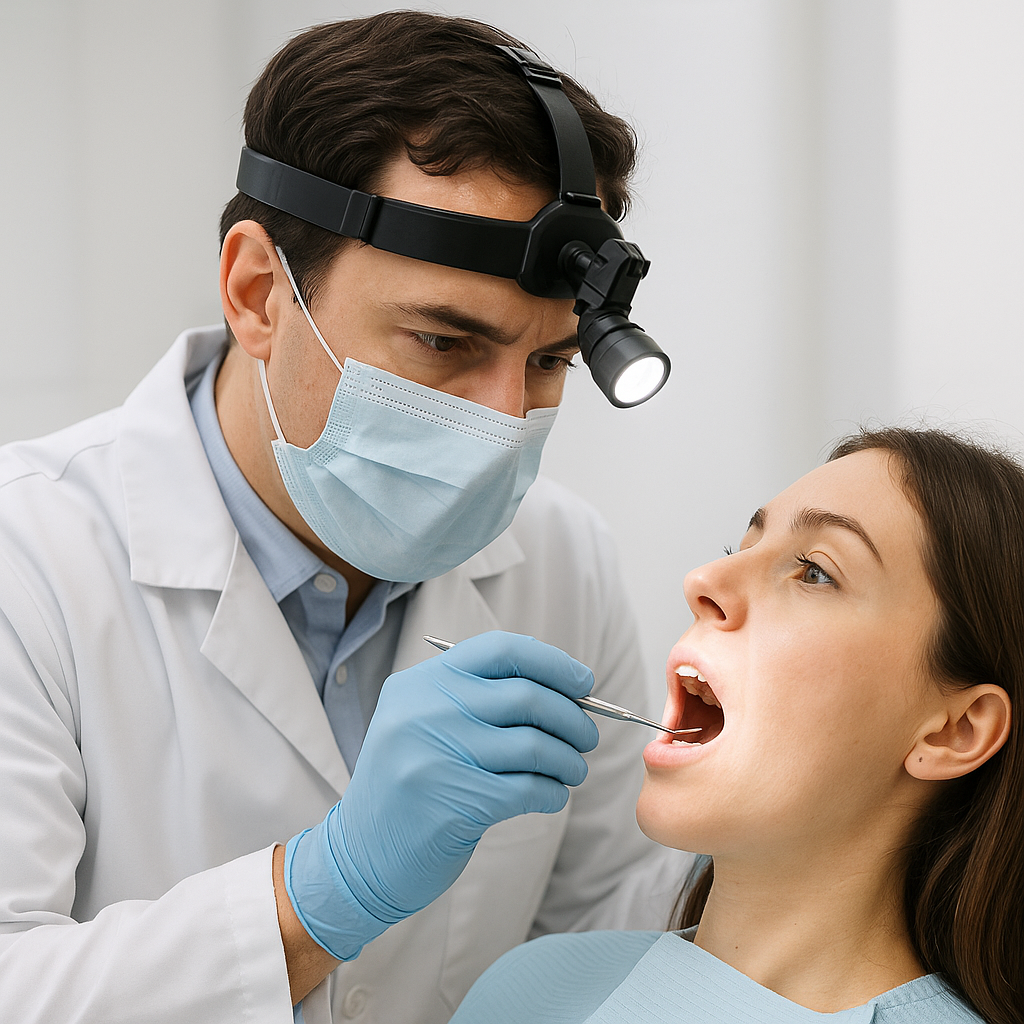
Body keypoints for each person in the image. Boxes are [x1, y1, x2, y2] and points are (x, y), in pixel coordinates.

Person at [0, 13, 686, 1024]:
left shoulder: (560, 558)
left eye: (547, 364)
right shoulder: (31, 560)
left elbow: (603, 947)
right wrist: (325, 894)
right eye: (444, 342)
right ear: (257, 291)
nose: (503, 423)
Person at [450, 426, 1022, 1024]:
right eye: (737, 549)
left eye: (815, 572)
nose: (704, 581)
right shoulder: (528, 990)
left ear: (955, 730)